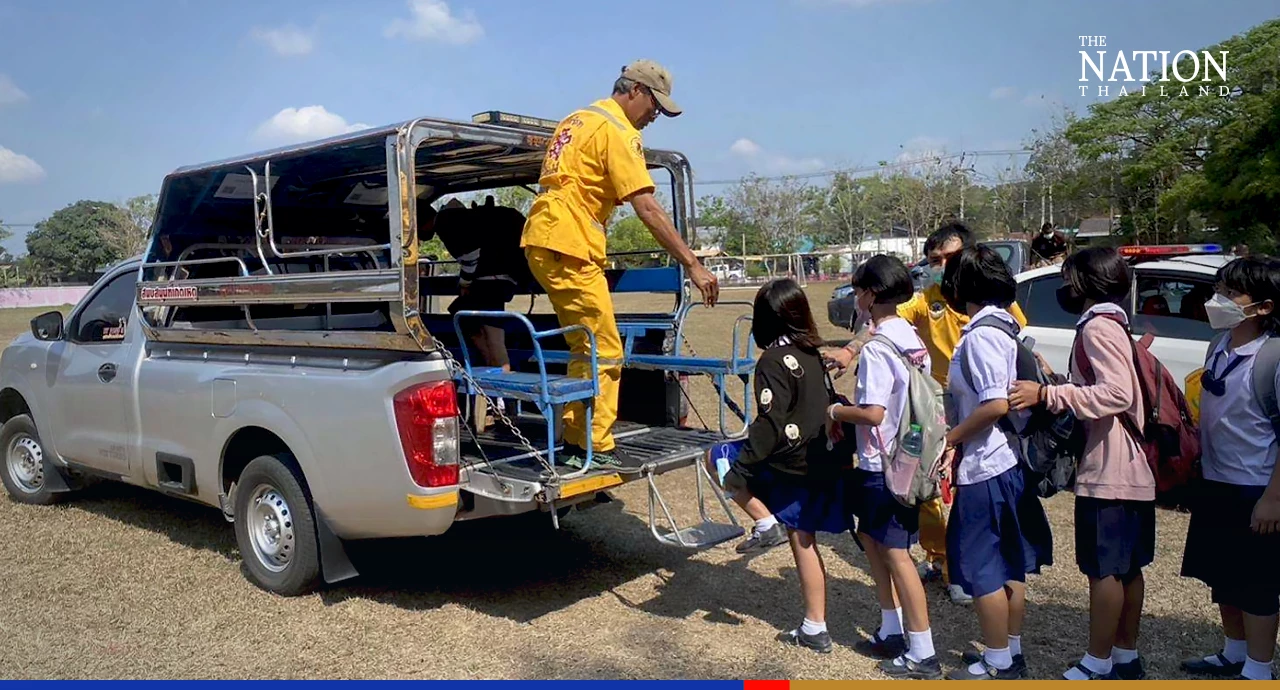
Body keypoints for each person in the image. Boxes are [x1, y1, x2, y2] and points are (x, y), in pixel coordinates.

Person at [521, 59, 719, 469]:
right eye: (655, 107)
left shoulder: (576, 119)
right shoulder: (618, 130)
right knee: (604, 347)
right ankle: (595, 445)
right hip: (570, 241)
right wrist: (693, 265)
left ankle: (579, 438)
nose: (654, 118)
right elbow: (646, 206)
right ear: (635, 91)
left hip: (547, 236)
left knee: (584, 343)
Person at [826, 222, 1028, 605]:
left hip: (980, 406)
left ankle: (972, 569)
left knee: (969, 488)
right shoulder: (928, 298)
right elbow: (884, 321)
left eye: (947, 259)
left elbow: (1015, 345)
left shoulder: (989, 303)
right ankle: (943, 560)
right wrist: (851, 350)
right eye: (933, 260)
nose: (939, 266)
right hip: (933, 403)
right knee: (927, 487)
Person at [1009, 247, 1153, 680]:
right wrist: (1066, 384)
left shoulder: (1097, 328)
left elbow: (1117, 395)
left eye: (1070, 278)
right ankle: (1125, 655)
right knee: (1127, 567)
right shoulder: (1115, 325)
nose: (1064, 287)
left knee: (1104, 569)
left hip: (1109, 469)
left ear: (1087, 284)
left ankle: (1098, 661)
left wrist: (1049, 394)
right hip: (1131, 466)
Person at [939, 245, 1053, 681]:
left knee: (983, 565)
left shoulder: (981, 336)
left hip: (987, 466)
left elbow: (993, 404)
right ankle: (1011, 650)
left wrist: (950, 439)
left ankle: (998, 660)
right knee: (1010, 561)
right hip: (1008, 464)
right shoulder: (1005, 327)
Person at [719, 278, 850, 654]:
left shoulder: (772, 361)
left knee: (719, 459)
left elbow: (769, 423)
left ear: (765, 319)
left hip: (790, 464)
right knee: (804, 540)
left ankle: (764, 522)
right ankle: (814, 625)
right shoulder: (812, 351)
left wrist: (741, 469)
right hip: (817, 456)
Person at [827, 255, 941, 679]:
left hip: (881, 463)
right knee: (872, 540)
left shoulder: (877, 349)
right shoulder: (910, 337)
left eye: (858, 290)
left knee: (896, 553)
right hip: (907, 457)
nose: (855, 298)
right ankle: (890, 627)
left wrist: (837, 411)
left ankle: (922, 649)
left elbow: (873, 413)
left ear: (871, 294)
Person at [1179, 256, 1280, 681]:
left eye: (1231, 293)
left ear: (1264, 307)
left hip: (1256, 486)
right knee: (1223, 575)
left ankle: (1259, 667)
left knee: (1256, 583)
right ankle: (1233, 652)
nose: (1218, 300)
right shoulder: (1219, 344)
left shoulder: (1272, 357)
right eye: (1220, 289)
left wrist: (1273, 499)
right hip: (1217, 480)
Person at [422, 197, 530, 376]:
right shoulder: (457, 217)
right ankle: (490, 364)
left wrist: (465, 282)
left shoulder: (446, 223)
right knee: (464, 315)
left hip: (492, 280)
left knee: (493, 335)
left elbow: (471, 255)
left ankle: (503, 377)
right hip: (498, 278)